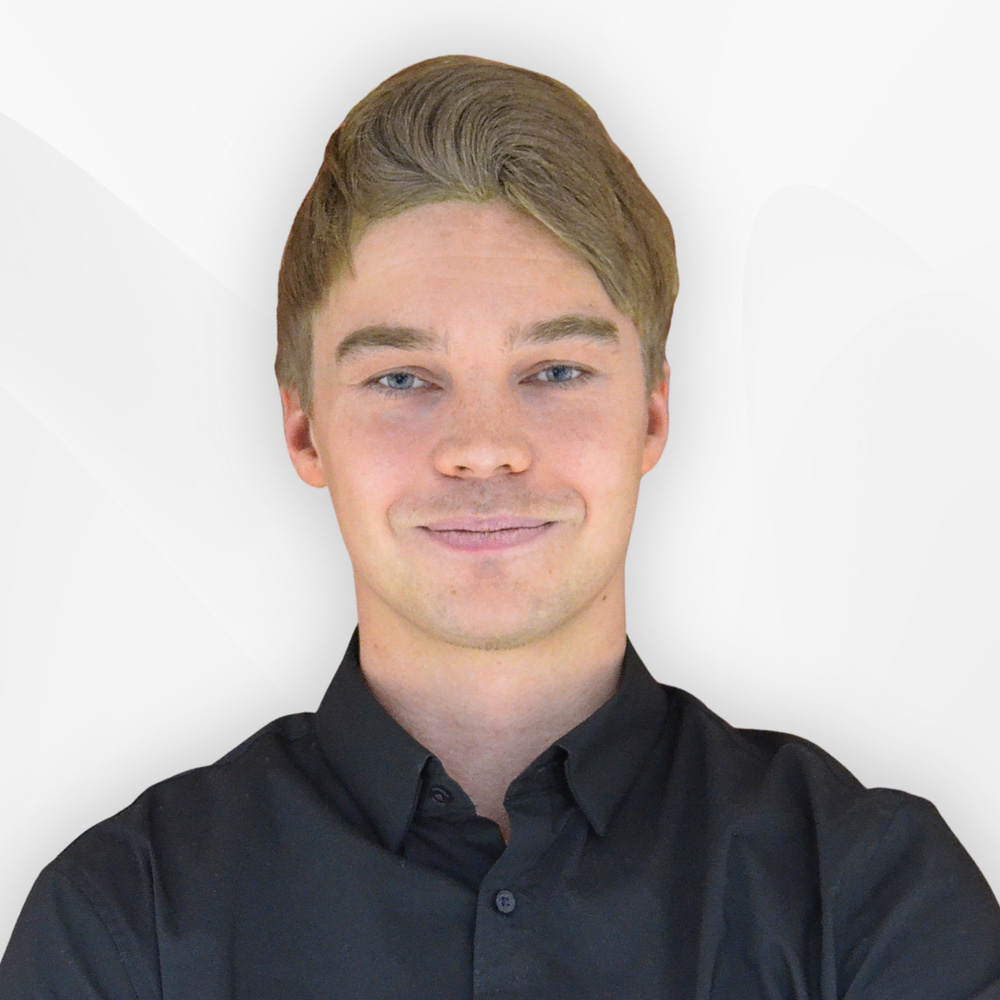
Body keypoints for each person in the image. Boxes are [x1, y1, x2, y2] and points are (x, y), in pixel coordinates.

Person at [2, 53, 998, 998]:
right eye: (402, 378)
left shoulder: (865, 895)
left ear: (650, 412)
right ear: (303, 427)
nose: (483, 447)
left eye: (554, 372)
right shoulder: (124, 920)